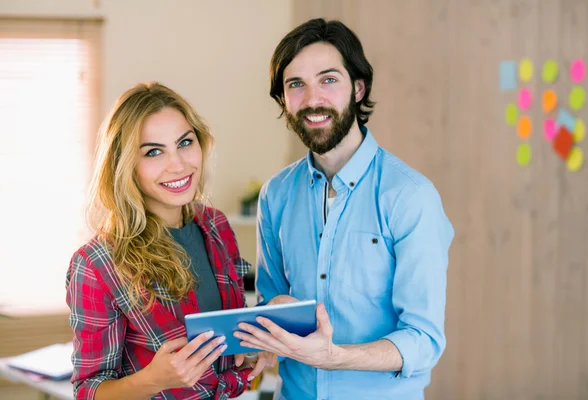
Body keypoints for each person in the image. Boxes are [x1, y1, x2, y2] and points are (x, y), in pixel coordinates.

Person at [233, 19, 454, 400]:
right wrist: (269, 324)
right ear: (283, 99)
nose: (312, 99)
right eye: (295, 84)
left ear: (358, 87)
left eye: (328, 79)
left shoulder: (410, 196)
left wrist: (334, 357)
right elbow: (270, 306)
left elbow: (423, 340)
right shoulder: (276, 194)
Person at [65, 82, 275, 400]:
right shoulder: (96, 264)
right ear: (125, 167)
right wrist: (152, 380)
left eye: (185, 143)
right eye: (153, 151)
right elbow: (88, 391)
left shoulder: (215, 226)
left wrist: (255, 344)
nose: (178, 164)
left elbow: (229, 337)